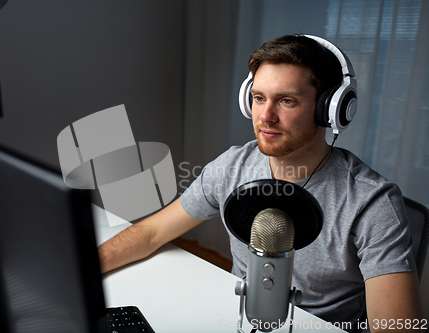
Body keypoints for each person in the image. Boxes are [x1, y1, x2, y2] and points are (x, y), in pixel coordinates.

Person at [98, 34, 422, 332]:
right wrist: (81, 271)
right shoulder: (232, 167)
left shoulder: (372, 202)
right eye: (258, 97)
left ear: (329, 109)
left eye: (286, 101)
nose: (265, 116)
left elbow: (397, 328)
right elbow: (151, 232)